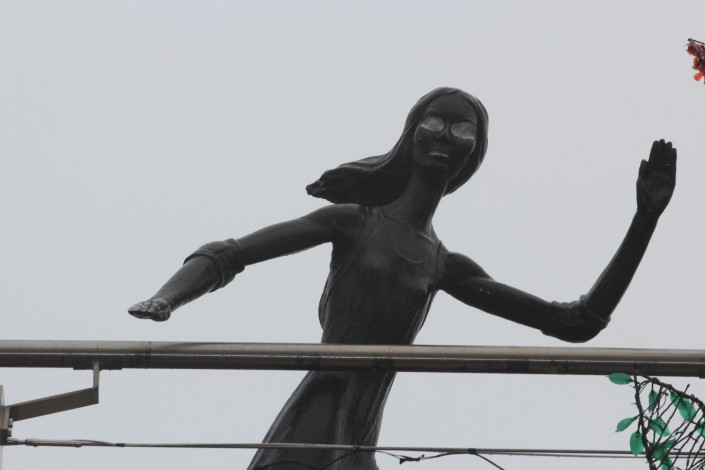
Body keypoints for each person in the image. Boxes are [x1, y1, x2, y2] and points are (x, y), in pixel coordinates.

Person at [129, 87, 676, 470]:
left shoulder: (445, 266)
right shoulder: (353, 221)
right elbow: (230, 253)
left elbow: (574, 323)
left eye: (462, 129)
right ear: (411, 134)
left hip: (362, 438)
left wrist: (645, 220)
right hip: (312, 422)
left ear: (472, 153)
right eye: (433, 122)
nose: (445, 136)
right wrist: (166, 298)